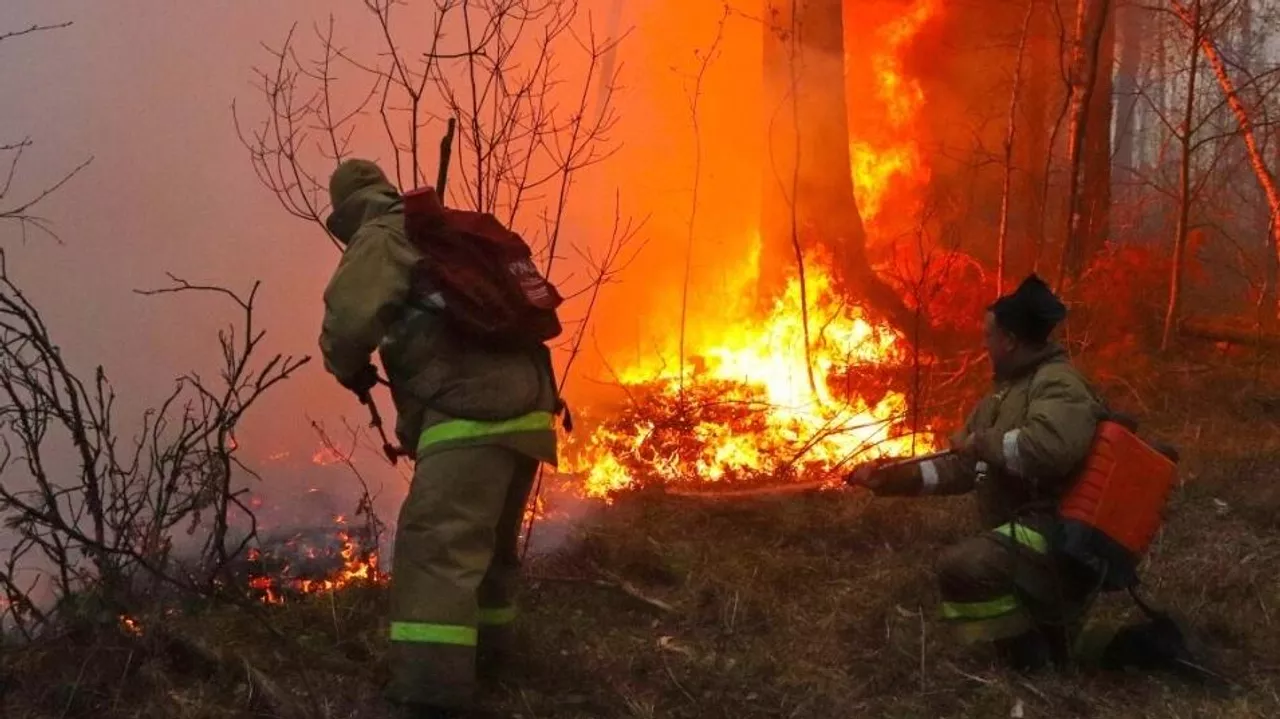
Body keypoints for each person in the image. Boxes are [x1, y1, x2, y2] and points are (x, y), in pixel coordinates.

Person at [319, 159, 560, 718]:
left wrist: (345, 364)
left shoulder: (381, 236)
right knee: (490, 552)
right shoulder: (447, 228)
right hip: (529, 410)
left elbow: (350, 321)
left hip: (468, 411)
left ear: (348, 211)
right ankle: (492, 661)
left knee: (437, 551)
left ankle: (429, 694)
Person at [851, 274, 1106, 671]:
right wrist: (894, 479)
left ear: (1009, 340)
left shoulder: (1058, 383)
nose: (984, 345)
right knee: (969, 565)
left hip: (1057, 531)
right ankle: (1047, 637)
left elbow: (1049, 452)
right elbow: (961, 466)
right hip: (1025, 528)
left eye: (988, 336)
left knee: (965, 566)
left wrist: (986, 443)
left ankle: (1033, 660)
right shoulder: (1003, 396)